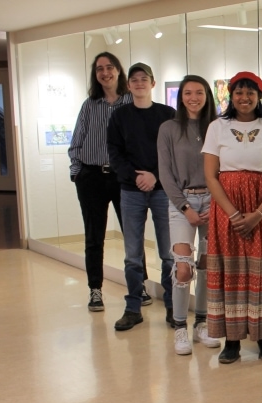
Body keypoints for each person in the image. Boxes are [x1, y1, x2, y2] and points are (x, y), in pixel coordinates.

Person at [202, 71, 262, 364]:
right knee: (231, 272)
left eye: (250, 92)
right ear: (230, 95)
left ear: (259, 96)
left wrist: (258, 214)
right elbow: (211, 176)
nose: (244, 97)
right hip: (228, 210)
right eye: (239, 91)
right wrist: (235, 214)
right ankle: (232, 340)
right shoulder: (217, 127)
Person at [68, 52, 152, 312]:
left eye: (110, 67)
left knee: (132, 235)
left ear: (119, 71)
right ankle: (95, 289)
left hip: (123, 177)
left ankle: (140, 286)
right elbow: (76, 142)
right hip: (92, 177)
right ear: (96, 74)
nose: (105, 72)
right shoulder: (90, 104)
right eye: (100, 69)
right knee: (94, 237)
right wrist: (77, 172)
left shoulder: (132, 101)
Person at [108, 62, 176, 331]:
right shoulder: (119, 116)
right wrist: (136, 177)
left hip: (163, 192)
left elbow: (172, 153)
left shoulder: (168, 114)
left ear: (153, 83)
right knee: (132, 255)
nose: (139, 83)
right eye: (134, 79)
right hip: (130, 191)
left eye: (144, 78)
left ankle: (174, 307)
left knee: (169, 254)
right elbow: (114, 153)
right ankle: (133, 307)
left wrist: (155, 175)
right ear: (128, 85)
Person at [157, 75, 220, 355]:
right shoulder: (168, 128)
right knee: (183, 268)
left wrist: (216, 201)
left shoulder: (216, 127)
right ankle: (180, 326)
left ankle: (202, 324)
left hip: (213, 200)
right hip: (181, 202)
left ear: (207, 95)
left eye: (199, 92)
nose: (193, 98)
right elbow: (165, 173)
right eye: (187, 93)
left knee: (207, 266)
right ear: (180, 97)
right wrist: (185, 208)